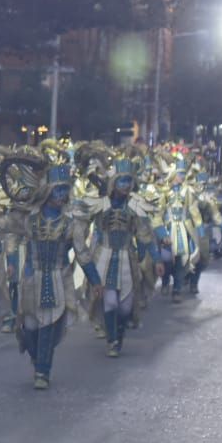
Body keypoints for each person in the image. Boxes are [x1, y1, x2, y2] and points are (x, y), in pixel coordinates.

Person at [0, 143, 84, 389]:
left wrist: (95, 281)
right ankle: (35, 355)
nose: (61, 196)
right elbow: (7, 229)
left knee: (49, 325)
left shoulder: (70, 222)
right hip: (31, 281)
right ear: (47, 191)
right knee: (31, 326)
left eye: (65, 191)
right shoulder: (28, 218)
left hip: (58, 280)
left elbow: (83, 254)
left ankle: (43, 370)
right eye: (58, 191)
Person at [76, 148, 157, 354]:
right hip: (103, 256)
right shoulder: (100, 204)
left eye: (128, 182)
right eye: (122, 181)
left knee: (126, 307)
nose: (125, 186)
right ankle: (112, 341)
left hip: (127, 259)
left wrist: (155, 258)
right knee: (110, 302)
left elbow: (144, 233)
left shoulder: (136, 205)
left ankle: (119, 334)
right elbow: (81, 222)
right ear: (114, 183)